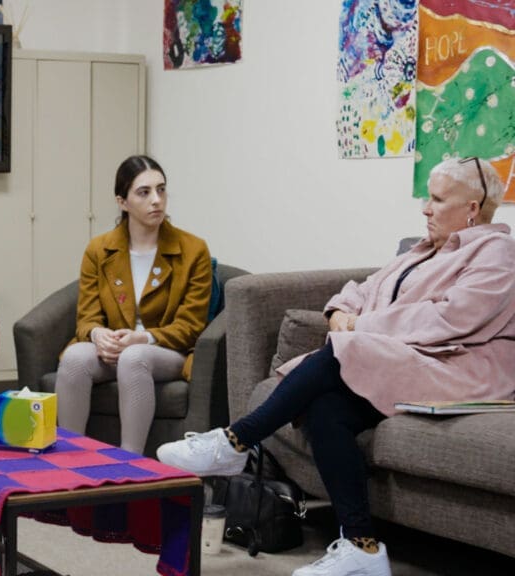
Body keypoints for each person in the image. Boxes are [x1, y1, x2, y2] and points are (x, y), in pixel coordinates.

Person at [157, 157, 515, 576]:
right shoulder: (421, 251)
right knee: (327, 410)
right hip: (409, 362)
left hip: (460, 368)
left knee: (346, 351)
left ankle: (236, 441)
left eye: (436, 199)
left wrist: (359, 328)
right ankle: (362, 549)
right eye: (426, 198)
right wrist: (341, 313)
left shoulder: (496, 253)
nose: (425, 208)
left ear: (473, 208)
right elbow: (360, 290)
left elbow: (451, 320)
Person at [55, 155, 212, 455]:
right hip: (113, 346)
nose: (157, 200)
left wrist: (143, 337)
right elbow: (86, 317)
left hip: (165, 351)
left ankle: (131, 462)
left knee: (134, 357)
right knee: (74, 357)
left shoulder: (193, 250)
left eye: (161, 190)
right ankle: (69, 461)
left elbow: (191, 327)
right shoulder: (99, 250)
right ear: (122, 202)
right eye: (144, 192)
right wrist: (98, 335)